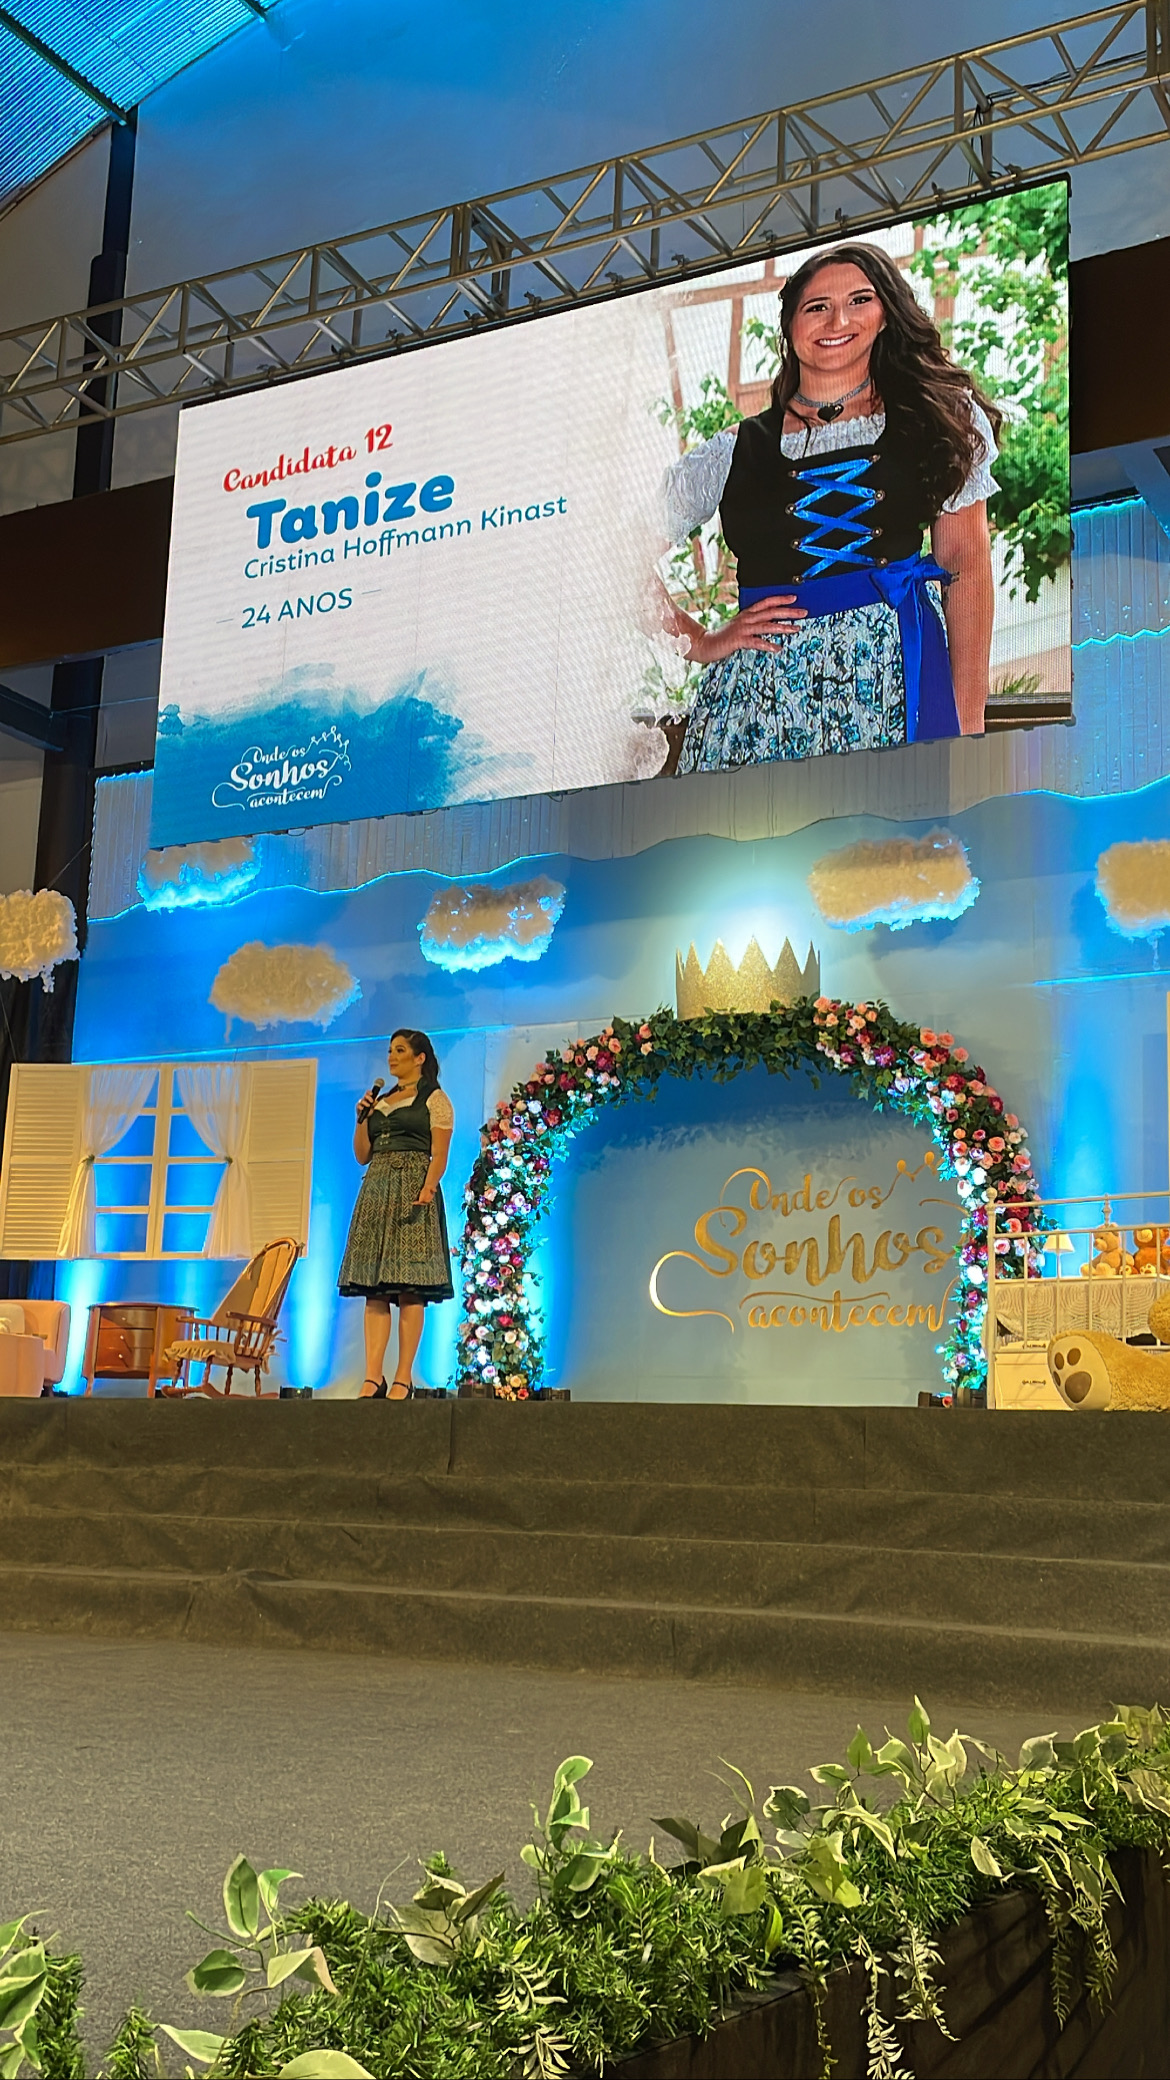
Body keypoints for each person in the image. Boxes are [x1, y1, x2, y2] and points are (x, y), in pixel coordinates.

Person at [658, 242, 1001, 768]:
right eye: (816, 306)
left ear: (886, 314)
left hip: (892, 686)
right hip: (762, 703)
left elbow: (966, 567)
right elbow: (614, 561)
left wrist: (968, 728)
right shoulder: (731, 452)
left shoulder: (938, 421)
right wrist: (701, 641)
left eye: (859, 300)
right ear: (790, 326)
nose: (838, 320)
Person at [338, 1028, 454, 1397]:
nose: (392, 1056)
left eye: (400, 1050)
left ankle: (403, 1375)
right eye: (390, 1050)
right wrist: (361, 1119)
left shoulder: (434, 1098)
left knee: (409, 1288)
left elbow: (440, 1154)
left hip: (412, 1189)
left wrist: (428, 1187)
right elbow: (362, 1154)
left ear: (419, 1058)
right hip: (377, 1189)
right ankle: (373, 1375)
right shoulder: (380, 1101)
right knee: (374, 1288)